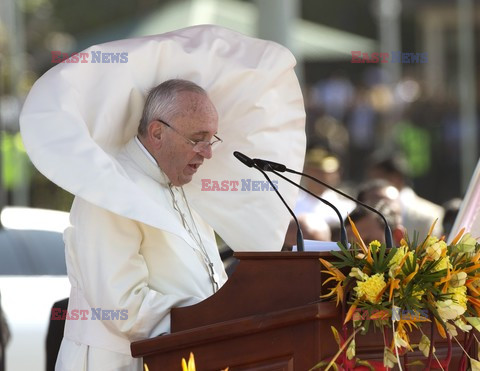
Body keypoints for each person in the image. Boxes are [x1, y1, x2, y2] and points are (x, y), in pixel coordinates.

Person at [55, 79, 228, 370]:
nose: (207, 152)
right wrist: (213, 316)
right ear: (157, 132)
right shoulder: (109, 190)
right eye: (197, 139)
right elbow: (124, 307)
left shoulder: (180, 186)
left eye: (211, 139)